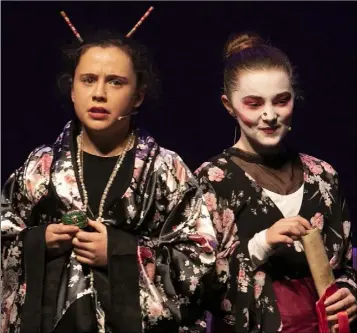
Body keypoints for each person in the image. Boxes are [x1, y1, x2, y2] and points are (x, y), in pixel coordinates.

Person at [1, 29, 217, 333]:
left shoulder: (166, 169)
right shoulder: (40, 166)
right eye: (88, 80)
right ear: (73, 90)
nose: (99, 93)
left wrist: (122, 253)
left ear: (138, 95)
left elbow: (200, 258)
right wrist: (39, 241)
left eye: (116, 82)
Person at [196, 32, 357, 333]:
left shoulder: (323, 175)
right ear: (228, 105)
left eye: (281, 101)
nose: (269, 115)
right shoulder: (212, 180)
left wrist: (349, 292)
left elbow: (346, 266)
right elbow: (196, 282)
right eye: (254, 104)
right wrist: (262, 242)